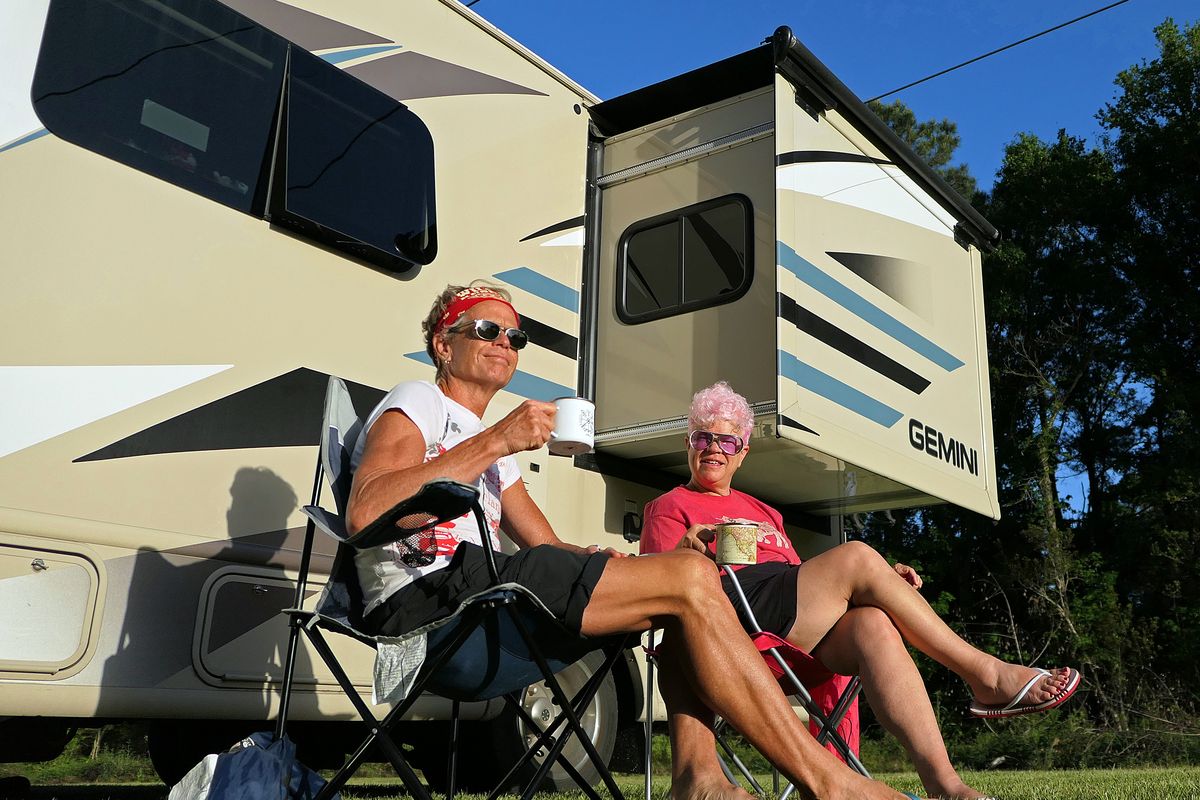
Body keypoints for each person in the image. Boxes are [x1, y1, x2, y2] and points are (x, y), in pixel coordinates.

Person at [346, 281, 924, 800]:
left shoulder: (494, 456)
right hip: (438, 604)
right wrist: (499, 438)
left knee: (680, 588)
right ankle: (827, 782)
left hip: (495, 597)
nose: (506, 341)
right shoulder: (420, 401)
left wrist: (619, 563)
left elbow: (546, 547)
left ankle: (699, 778)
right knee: (689, 579)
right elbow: (367, 511)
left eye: (516, 335)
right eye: (487, 329)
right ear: (444, 346)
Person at [640, 381, 1082, 800]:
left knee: (873, 622)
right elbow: (658, 591)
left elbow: (799, 579)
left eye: (727, 441)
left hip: (782, 623)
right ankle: (986, 676)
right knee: (855, 557)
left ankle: (945, 785)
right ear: (689, 445)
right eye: (703, 438)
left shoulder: (764, 512)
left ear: (743, 454)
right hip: (725, 622)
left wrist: (885, 585)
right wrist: (685, 549)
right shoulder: (668, 506)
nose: (714, 448)